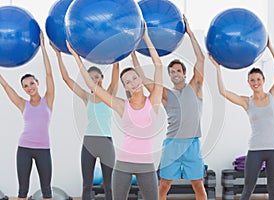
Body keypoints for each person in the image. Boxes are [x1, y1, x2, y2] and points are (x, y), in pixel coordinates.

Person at [66, 23, 163, 200]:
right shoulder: (121, 105)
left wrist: (146, 37)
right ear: (125, 87)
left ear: (140, 79)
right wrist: (76, 57)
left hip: (147, 165)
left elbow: (158, 66)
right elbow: (90, 85)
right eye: (127, 82)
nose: (132, 83)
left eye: (134, 78)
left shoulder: (154, 100)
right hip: (123, 165)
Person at [133, 15, 207, 200]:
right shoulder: (165, 93)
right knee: (164, 184)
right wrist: (133, 49)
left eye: (178, 71)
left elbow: (201, 59)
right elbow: (142, 77)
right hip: (172, 144)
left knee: (198, 184)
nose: (175, 74)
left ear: (184, 73)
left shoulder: (195, 87)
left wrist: (190, 32)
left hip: (192, 144)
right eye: (172, 71)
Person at [209, 37, 274, 200]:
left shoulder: (273, 95)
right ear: (249, 83)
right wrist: (217, 68)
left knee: (273, 190)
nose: (255, 82)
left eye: (258, 79)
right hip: (255, 150)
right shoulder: (246, 102)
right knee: (248, 189)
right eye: (252, 80)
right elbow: (224, 92)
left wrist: (270, 46)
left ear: (263, 80)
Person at [50, 44, 119, 200]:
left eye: (96, 77)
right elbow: (66, 79)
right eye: (91, 78)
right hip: (89, 141)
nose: (94, 80)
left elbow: (116, 73)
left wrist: (117, 52)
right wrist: (58, 55)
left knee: (109, 185)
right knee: (86, 185)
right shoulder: (86, 96)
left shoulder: (110, 94)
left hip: (106, 142)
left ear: (102, 78)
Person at [0, 31, 54, 200]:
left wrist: (43, 48)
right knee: (22, 191)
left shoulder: (48, 100)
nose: (29, 87)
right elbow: (7, 87)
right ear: (23, 89)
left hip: (43, 149)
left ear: (37, 83)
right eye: (25, 86)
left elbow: (49, 74)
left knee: (47, 190)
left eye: (31, 83)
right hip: (24, 148)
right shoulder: (23, 104)